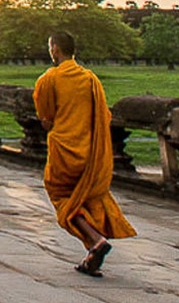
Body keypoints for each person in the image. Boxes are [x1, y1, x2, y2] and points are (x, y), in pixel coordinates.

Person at [33, 31, 136, 277]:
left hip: (64, 151)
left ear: (55, 49)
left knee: (62, 197)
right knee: (87, 198)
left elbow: (45, 118)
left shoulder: (50, 79)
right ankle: (92, 255)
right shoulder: (90, 80)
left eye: (50, 47)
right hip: (90, 151)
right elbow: (104, 116)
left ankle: (95, 238)